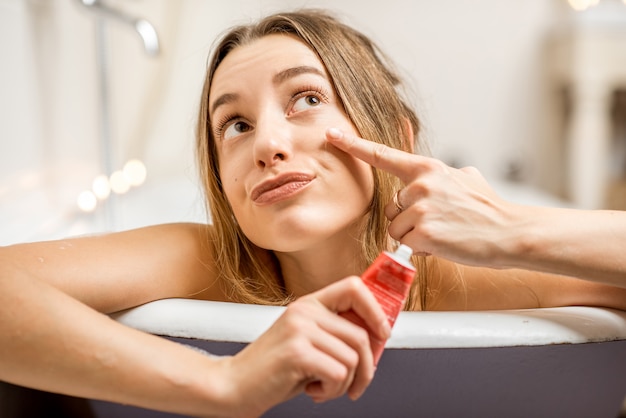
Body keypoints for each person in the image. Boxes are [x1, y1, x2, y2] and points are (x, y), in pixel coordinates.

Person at [1, 8, 625, 418]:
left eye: (305, 98)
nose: (266, 144)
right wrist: (220, 384)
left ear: (398, 139)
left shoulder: (469, 277)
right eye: (235, 124)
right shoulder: (203, 261)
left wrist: (514, 230)